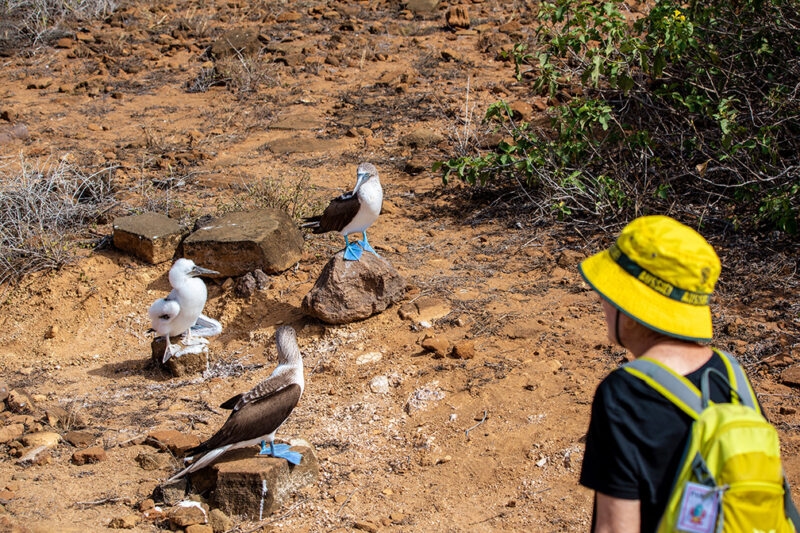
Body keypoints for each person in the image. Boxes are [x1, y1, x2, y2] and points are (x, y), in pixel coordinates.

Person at [578, 215, 742, 532]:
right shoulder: (732, 376)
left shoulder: (624, 396)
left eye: (612, 292)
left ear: (633, 308)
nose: (603, 300)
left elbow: (615, 528)